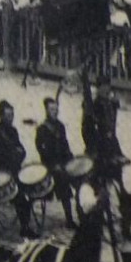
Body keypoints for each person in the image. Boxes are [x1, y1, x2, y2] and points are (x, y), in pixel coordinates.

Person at [34, 95, 78, 228]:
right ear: (46, 111)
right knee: (63, 180)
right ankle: (69, 219)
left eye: (56, 109)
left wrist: (71, 160)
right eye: (52, 109)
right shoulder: (42, 129)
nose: (55, 111)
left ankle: (84, 212)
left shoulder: (61, 126)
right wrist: (54, 165)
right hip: (51, 166)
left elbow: (65, 146)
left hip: (63, 163)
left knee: (80, 177)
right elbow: (43, 152)